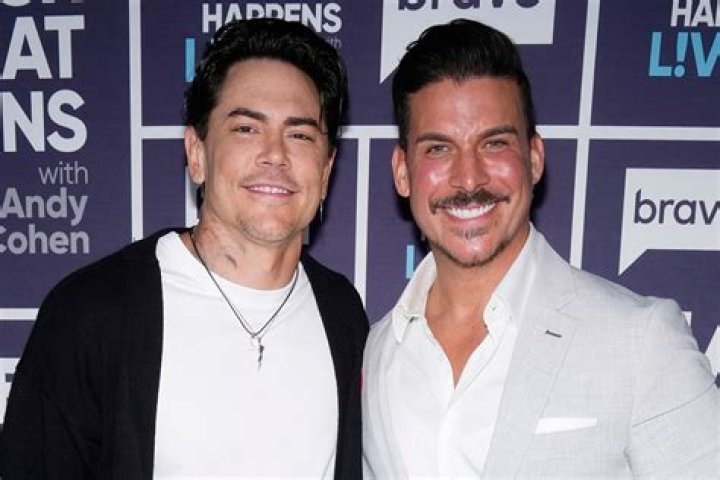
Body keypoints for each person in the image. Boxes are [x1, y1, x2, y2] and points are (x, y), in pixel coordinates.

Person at [1, 18, 368, 479]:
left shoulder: (342, 314)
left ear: (326, 168)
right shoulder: (92, 312)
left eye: (300, 135)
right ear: (197, 153)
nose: (275, 154)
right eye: (246, 129)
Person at [362, 19, 718, 478]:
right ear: (402, 172)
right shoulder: (377, 351)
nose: (469, 178)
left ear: (534, 159)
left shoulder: (640, 340)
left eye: (494, 144)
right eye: (438, 149)